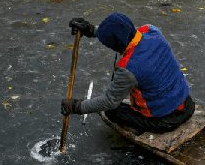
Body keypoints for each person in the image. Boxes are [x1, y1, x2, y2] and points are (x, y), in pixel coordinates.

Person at [60, 13, 194, 133]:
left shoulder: (128, 69)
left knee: (113, 111)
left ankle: (138, 128)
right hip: (187, 105)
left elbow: (109, 101)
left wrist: (77, 106)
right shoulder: (152, 31)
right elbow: (126, 32)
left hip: (165, 121)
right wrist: (91, 30)